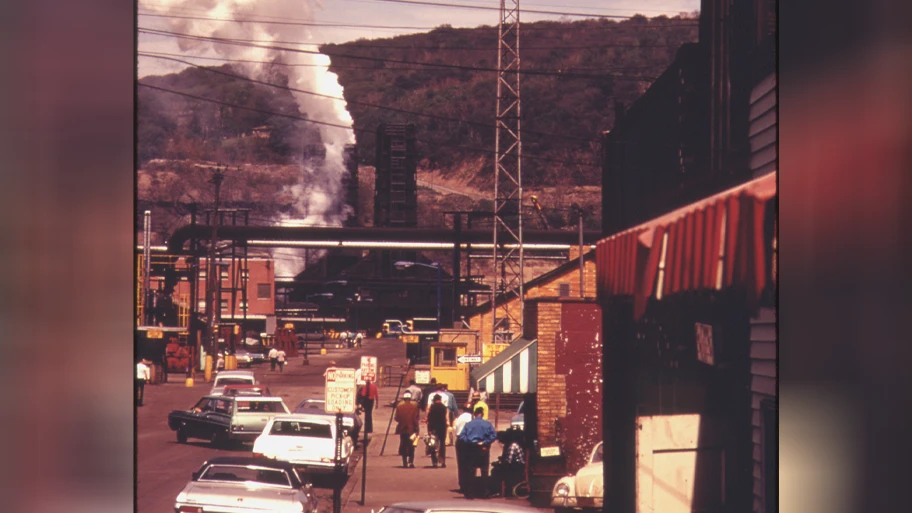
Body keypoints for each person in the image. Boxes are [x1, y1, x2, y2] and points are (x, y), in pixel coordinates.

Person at [457, 406, 497, 498]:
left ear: (474, 414)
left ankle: (470, 493)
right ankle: (484, 492)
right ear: (482, 414)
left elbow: (462, 436)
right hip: (483, 449)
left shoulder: (468, 424)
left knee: (471, 471)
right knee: (484, 471)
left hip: (471, 448)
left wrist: (469, 442)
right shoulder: (487, 424)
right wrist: (485, 442)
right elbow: (494, 435)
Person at [490, 428, 526, 497]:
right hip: (515, 465)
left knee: (495, 471)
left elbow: (509, 461)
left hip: (516, 466)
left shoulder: (513, 445)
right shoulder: (512, 445)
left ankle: (499, 490)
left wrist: (499, 464)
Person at [394, 391, 420, 468]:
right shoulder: (414, 406)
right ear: (410, 399)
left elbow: (396, 418)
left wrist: (402, 421)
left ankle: (404, 462)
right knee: (412, 446)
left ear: (404, 399)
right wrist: (416, 428)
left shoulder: (399, 407)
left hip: (402, 429)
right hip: (411, 429)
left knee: (403, 445)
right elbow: (416, 418)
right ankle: (411, 462)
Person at [453, 405, 474, 493]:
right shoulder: (471, 417)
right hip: (468, 441)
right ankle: (469, 484)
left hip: (459, 441)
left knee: (461, 464)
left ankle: (462, 483)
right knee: (470, 464)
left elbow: (456, 428)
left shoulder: (459, 417)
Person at [426, 394, 450, 468]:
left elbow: (429, 419)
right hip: (442, 428)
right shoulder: (444, 407)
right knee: (442, 445)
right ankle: (443, 461)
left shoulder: (432, 407)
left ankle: (434, 462)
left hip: (434, 428)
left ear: (434, 400)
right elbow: (446, 417)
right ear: (440, 399)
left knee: (433, 444)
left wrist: (429, 429)